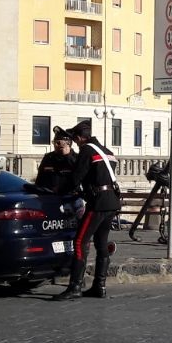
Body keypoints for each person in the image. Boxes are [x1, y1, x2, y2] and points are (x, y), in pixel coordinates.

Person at [55, 119, 121, 300]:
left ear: (79, 138)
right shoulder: (107, 152)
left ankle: (75, 286)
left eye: (75, 141)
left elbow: (76, 178)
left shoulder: (86, 151)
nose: (75, 145)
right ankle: (100, 286)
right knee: (101, 244)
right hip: (112, 202)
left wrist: (58, 191)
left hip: (98, 203)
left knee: (79, 242)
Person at [35, 127, 76, 192]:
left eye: (59, 143)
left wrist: (67, 156)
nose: (55, 145)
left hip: (70, 197)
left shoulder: (76, 157)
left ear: (68, 143)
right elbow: (39, 180)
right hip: (50, 197)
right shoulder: (48, 157)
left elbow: (79, 176)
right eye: (54, 142)